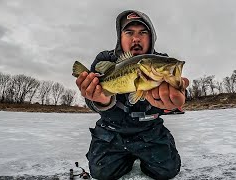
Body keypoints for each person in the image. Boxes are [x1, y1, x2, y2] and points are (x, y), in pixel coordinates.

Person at [75, 10, 189, 180]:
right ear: (120, 37)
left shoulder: (160, 59)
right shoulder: (105, 59)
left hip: (150, 131)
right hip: (112, 132)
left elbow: (179, 89)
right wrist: (101, 100)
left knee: (168, 170)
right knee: (101, 173)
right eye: (129, 32)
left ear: (151, 38)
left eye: (143, 32)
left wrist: (176, 99)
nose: (136, 39)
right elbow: (91, 99)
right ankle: (123, 157)